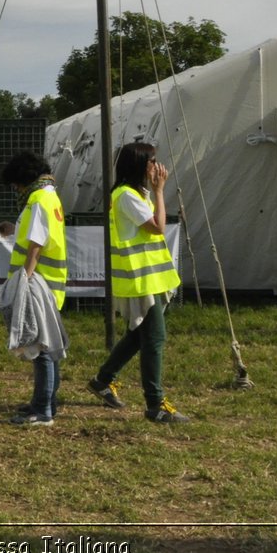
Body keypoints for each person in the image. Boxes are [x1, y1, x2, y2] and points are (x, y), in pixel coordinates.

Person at [86, 141, 189, 424]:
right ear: (139, 165)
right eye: (151, 161)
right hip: (139, 279)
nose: (156, 166)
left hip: (147, 278)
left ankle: (102, 380)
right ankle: (155, 404)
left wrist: (154, 192)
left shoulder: (134, 193)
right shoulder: (127, 196)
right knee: (154, 338)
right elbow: (157, 227)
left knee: (138, 335)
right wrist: (159, 191)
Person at [0, 150, 67, 426]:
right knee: (46, 347)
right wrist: (13, 229)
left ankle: (42, 411)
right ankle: (47, 403)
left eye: (15, 183)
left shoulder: (38, 199)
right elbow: (38, 233)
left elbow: (36, 244)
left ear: (24, 179)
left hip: (37, 283)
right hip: (48, 282)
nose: (15, 188)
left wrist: (24, 280)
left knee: (40, 349)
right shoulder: (48, 196)